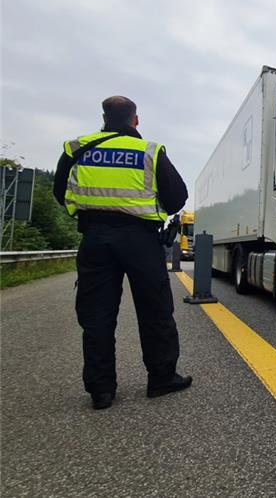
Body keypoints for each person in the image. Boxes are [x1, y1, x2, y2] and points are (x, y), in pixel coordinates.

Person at [54, 96, 192, 409]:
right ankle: (161, 378)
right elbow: (177, 197)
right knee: (155, 310)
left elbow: (60, 192)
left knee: (97, 315)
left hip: (95, 237)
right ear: (136, 120)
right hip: (140, 240)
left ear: (104, 118)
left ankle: (101, 390)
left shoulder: (77, 148)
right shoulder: (149, 151)